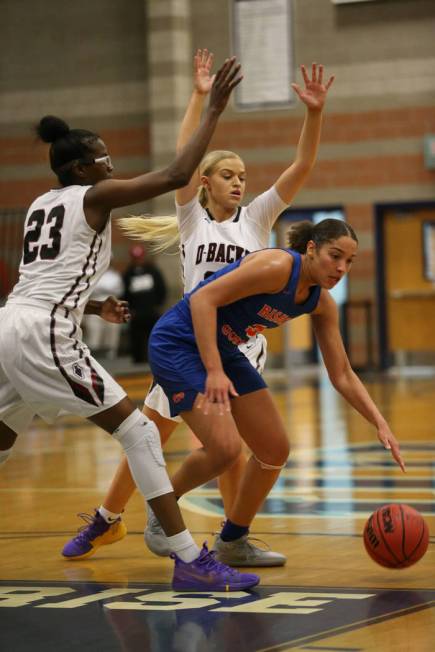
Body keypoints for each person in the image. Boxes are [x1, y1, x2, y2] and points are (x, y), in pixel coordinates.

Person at [63, 52, 335, 566]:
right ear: (206, 182)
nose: (240, 182)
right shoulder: (192, 218)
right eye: (228, 174)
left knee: (232, 449)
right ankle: (108, 519)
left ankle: (234, 537)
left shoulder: (256, 221)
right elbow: (181, 157)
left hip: (243, 349)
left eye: (244, 175)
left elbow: (301, 166)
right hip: (193, 342)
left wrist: (314, 113)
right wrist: (198, 97)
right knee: (148, 433)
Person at [0, 58, 260, 592]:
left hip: (12, 325)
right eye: (103, 159)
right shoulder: (92, 195)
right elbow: (175, 176)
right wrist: (212, 108)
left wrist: (92, 309)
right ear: (79, 169)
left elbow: (44, 280)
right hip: (43, 332)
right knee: (139, 432)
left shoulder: (39, 204)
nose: (111, 166)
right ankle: (187, 555)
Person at [143, 218, 406, 563]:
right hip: (178, 342)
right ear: (311, 249)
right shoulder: (277, 266)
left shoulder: (320, 302)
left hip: (224, 348)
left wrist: (380, 422)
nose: (341, 268)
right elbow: (202, 299)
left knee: (274, 448)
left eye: (349, 261)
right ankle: (161, 513)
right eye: (335, 256)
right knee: (224, 449)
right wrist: (214, 370)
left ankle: (233, 541)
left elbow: (341, 372)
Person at [123, 243, 167, 363]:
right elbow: (125, 293)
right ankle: (138, 361)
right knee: (136, 338)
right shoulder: (128, 274)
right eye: (135, 258)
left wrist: (157, 305)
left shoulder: (153, 271)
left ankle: (156, 360)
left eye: (140, 257)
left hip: (151, 312)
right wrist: (130, 309)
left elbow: (161, 289)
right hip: (136, 313)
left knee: (155, 336)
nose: (138, 260)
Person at [82, 262, 124, 359]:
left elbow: (119, 290)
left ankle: (111, 352)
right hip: (95, 302)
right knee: (94, 330)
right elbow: (90, 289)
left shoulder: (115, 275)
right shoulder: (92, 273)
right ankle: (93, 353)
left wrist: (103, 289)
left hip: (113, 303)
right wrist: (105, 289)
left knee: (112, 329)